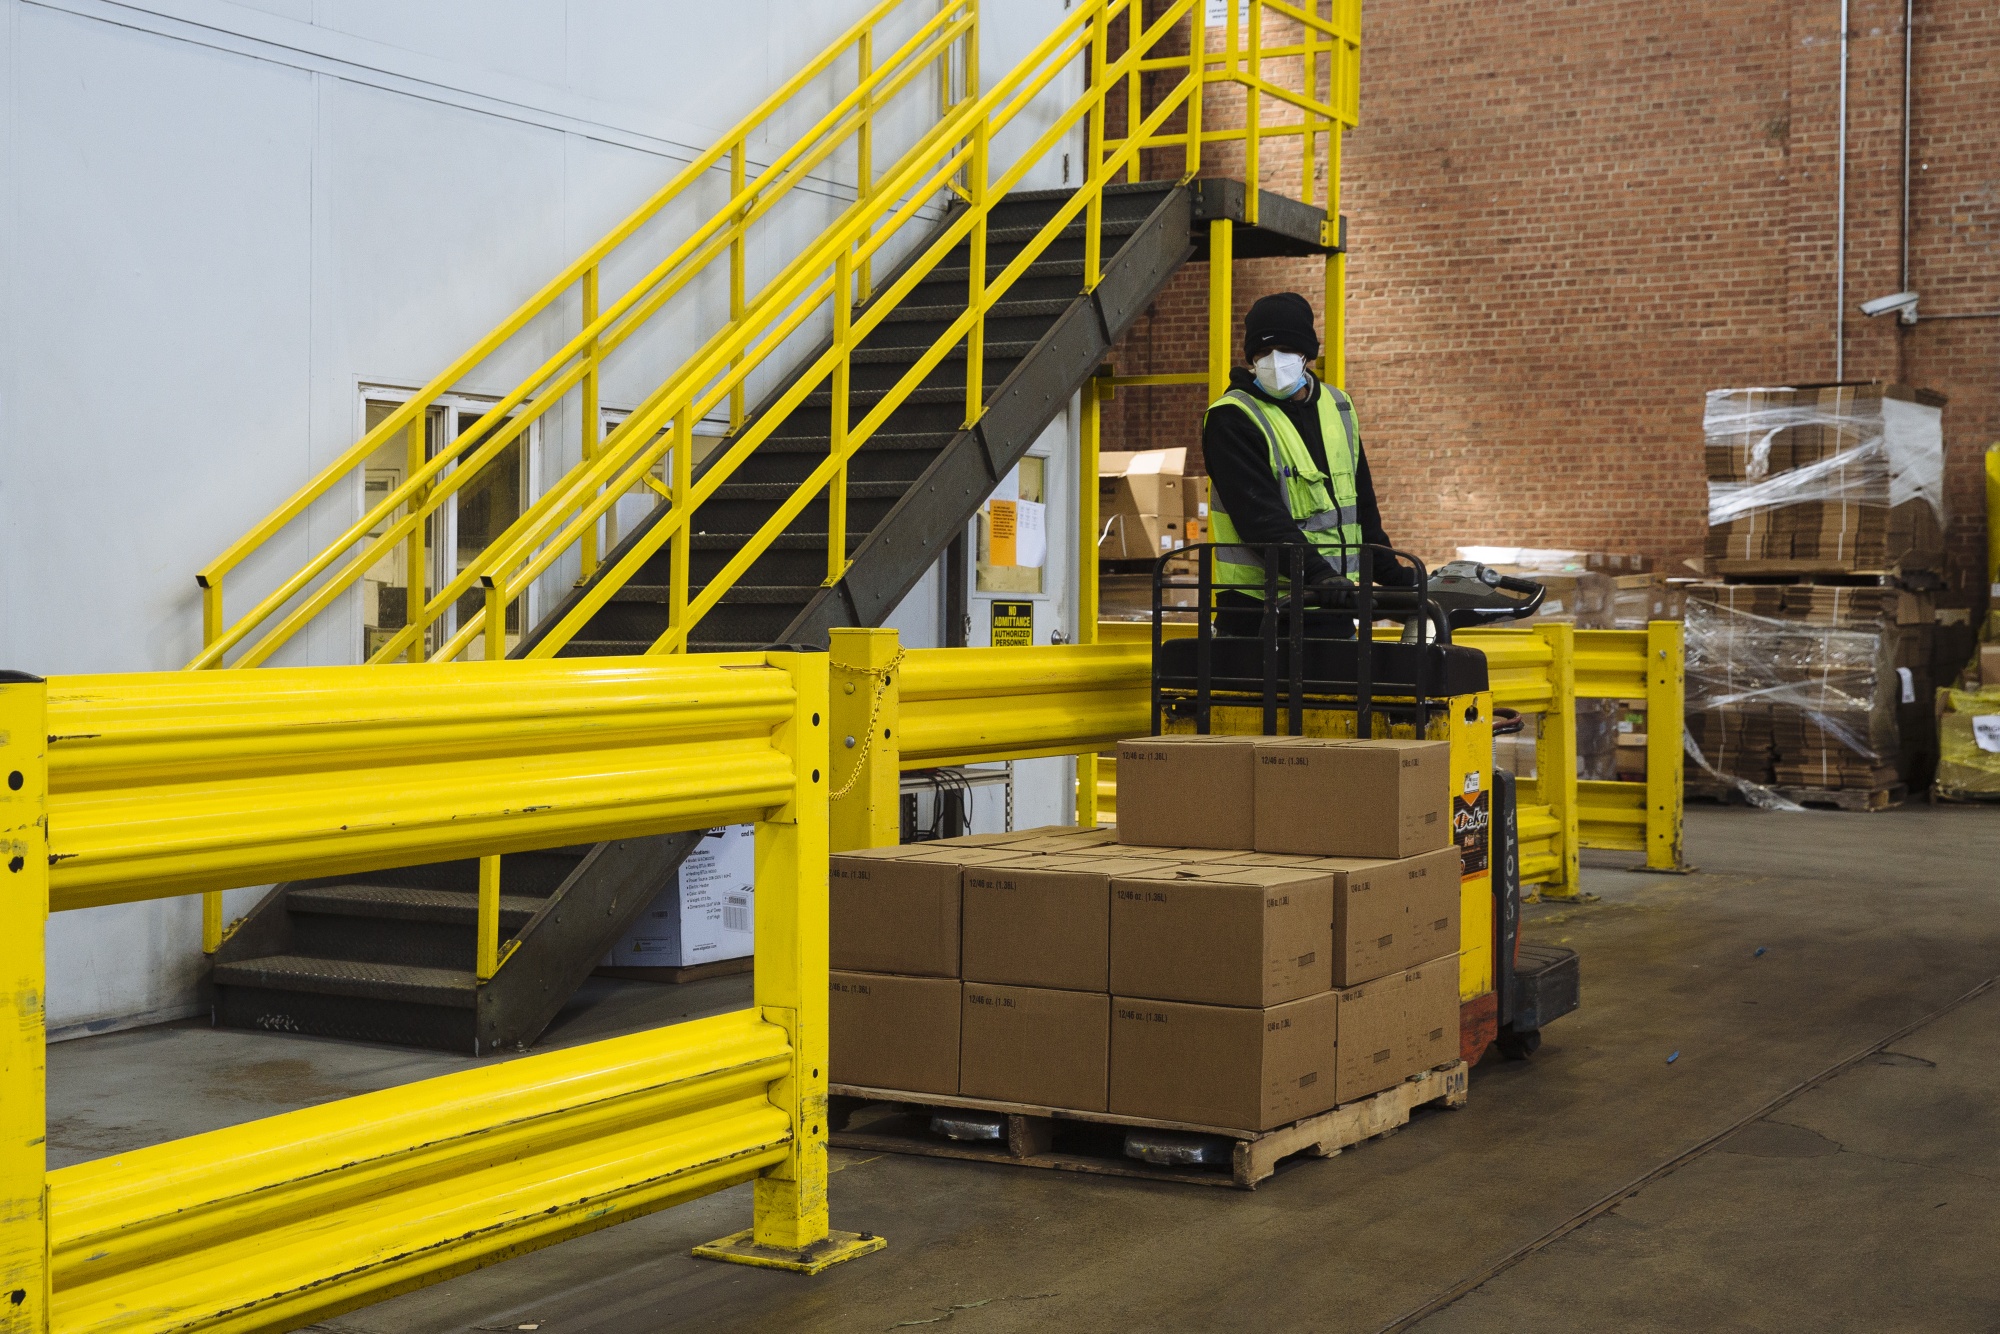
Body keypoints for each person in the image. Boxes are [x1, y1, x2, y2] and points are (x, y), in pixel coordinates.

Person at [1200, 291, 1410, 637]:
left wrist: (1396, 577)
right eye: (1262, 353)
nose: (1273, 361)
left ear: (1306, 354)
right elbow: (1260, 518)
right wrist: (1320, 574)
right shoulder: (1232, 417)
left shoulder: (1338, 406)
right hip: (1258, 610)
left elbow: (1362, 509)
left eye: (1284, 351)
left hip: (1330, 605)